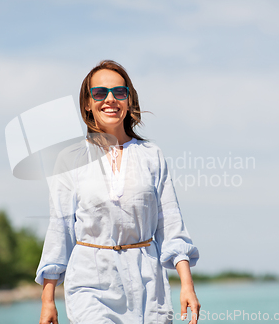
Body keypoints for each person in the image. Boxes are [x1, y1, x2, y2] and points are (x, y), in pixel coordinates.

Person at [36, 60, 200, 324]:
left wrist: (187, 284)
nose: (110, 99)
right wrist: (48, 300)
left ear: (129, 99)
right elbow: (60, 230)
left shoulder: (151, 155)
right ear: (88, 103)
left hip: (148, 283)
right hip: (91, 282)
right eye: (100, 93)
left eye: (119, 92)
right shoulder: (70, 159)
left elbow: (170, 225)